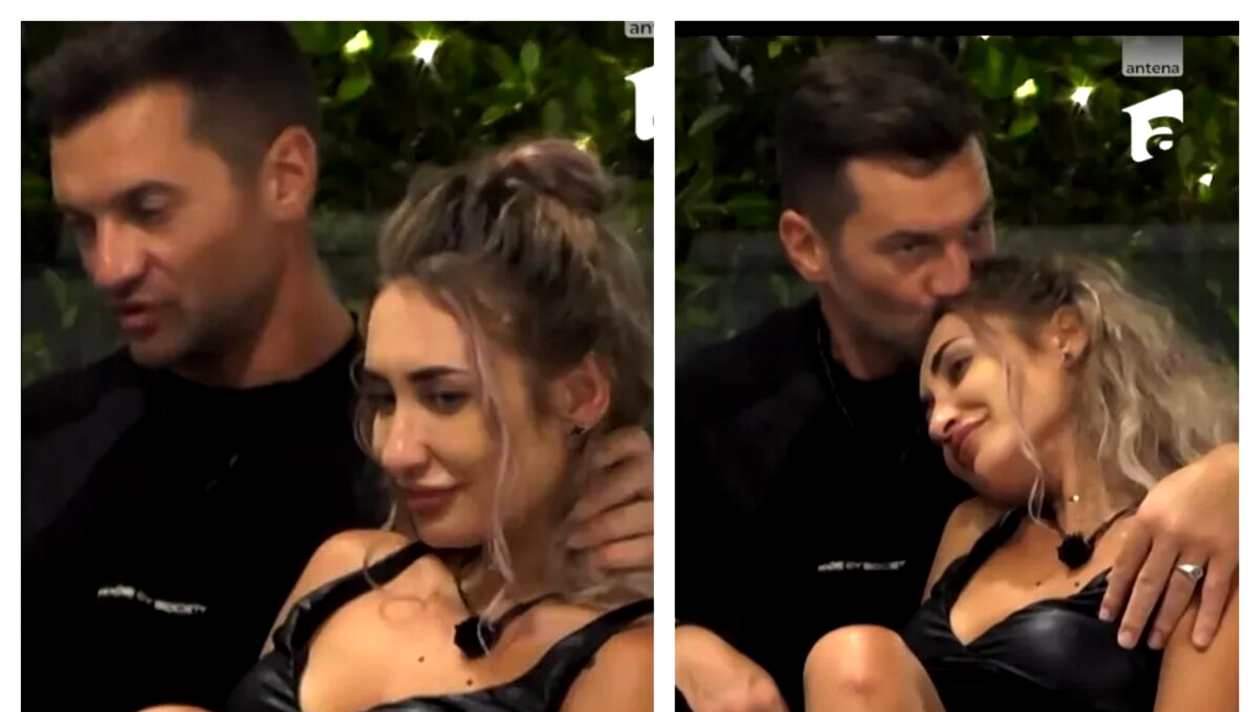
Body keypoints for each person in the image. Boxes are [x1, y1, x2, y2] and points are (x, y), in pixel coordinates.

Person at [22, 23, 653, 712]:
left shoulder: (468, 488)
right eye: (82, 225)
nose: (109, 266)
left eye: (150, 210)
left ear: (286, 177)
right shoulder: (36, 446)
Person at [674, 40, 1239, 712]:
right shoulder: (716, 416)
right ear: (807, 247)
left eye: (976, 228)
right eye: (911, 246)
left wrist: (1241, 470)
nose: (957, 275)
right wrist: (670, 641)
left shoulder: (1061, 411)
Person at [140, 140, 655, 712]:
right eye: (384, 398)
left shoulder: (630, 665)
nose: (395, 449)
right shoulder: (348, 569)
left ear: (580, 395)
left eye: (446, 397)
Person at [801, 255, 1238, 712]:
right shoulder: (971, 531)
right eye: (928, 407)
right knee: (850, 659)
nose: (938, 423)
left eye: (959, 367)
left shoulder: (1208, 524)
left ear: (1065, 335)